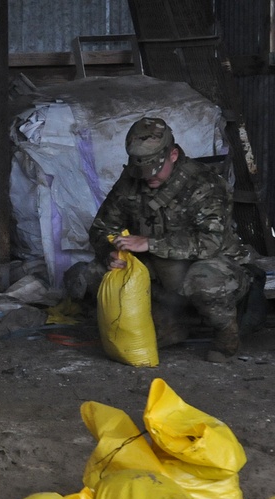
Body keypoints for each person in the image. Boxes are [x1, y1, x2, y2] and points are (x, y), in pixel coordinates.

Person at [87, 116, 257, 363]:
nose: (148, 178)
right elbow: (101, 228)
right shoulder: (131, 182)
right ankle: (168, 324)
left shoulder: (204, 183)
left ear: (173, 155)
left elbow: (210, 243)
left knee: (204, 281)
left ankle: (226, 335)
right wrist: (109, 252)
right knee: (96, 271)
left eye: (154, 169)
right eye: (142, 171)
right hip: (161, 268)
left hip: (213, 264)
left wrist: (150, 243)